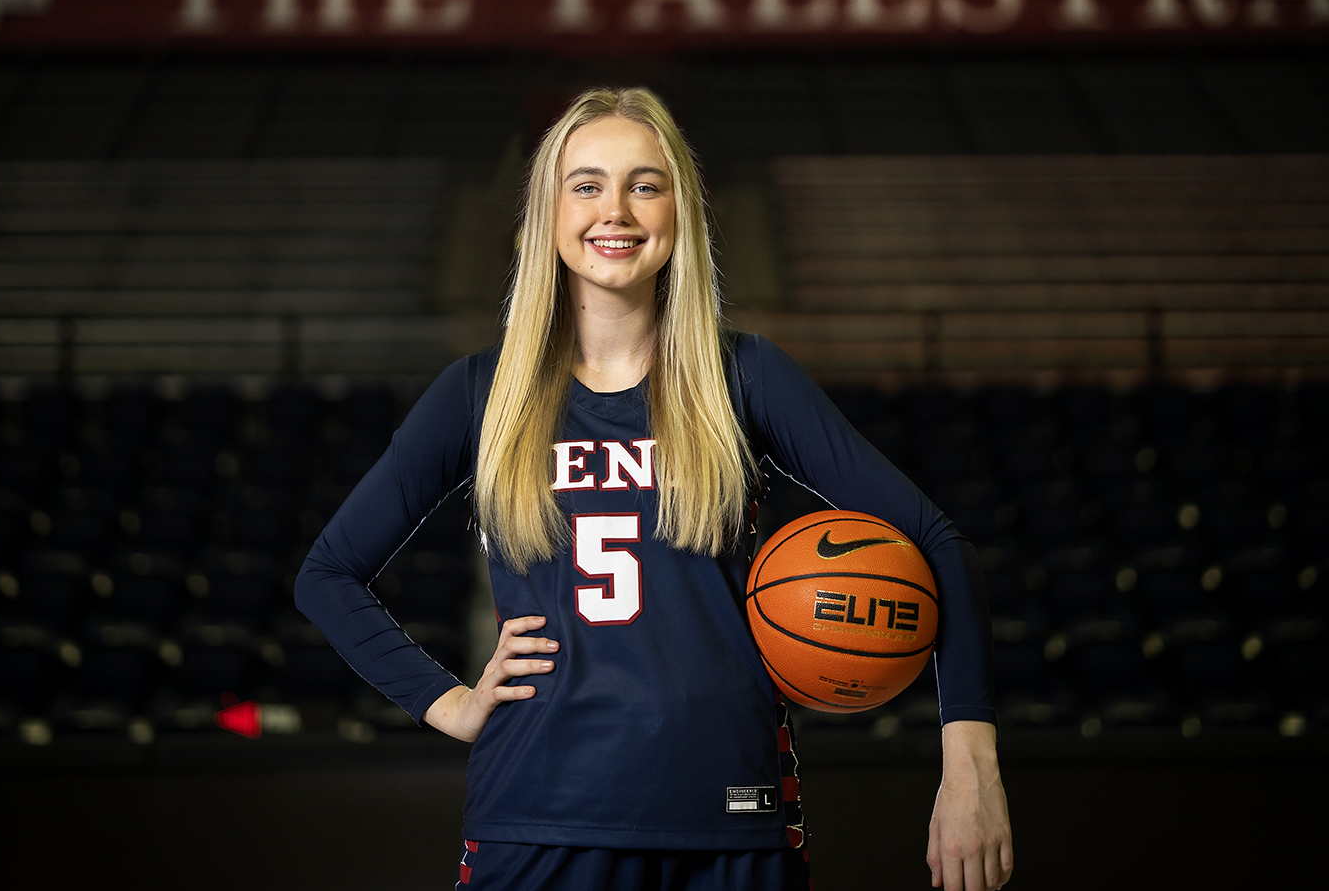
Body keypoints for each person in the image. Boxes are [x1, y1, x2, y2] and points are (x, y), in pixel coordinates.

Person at [296, 88, 1012, 891]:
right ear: (548, 211)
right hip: (539, 814)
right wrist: (447, 701)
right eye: (587, 183)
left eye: (645, 184)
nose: (617, 210)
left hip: (731, 814)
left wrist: (970, 764)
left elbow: (938, 542)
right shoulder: (481, 393)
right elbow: (327, 573)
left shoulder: (743, 376)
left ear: (680, 212)